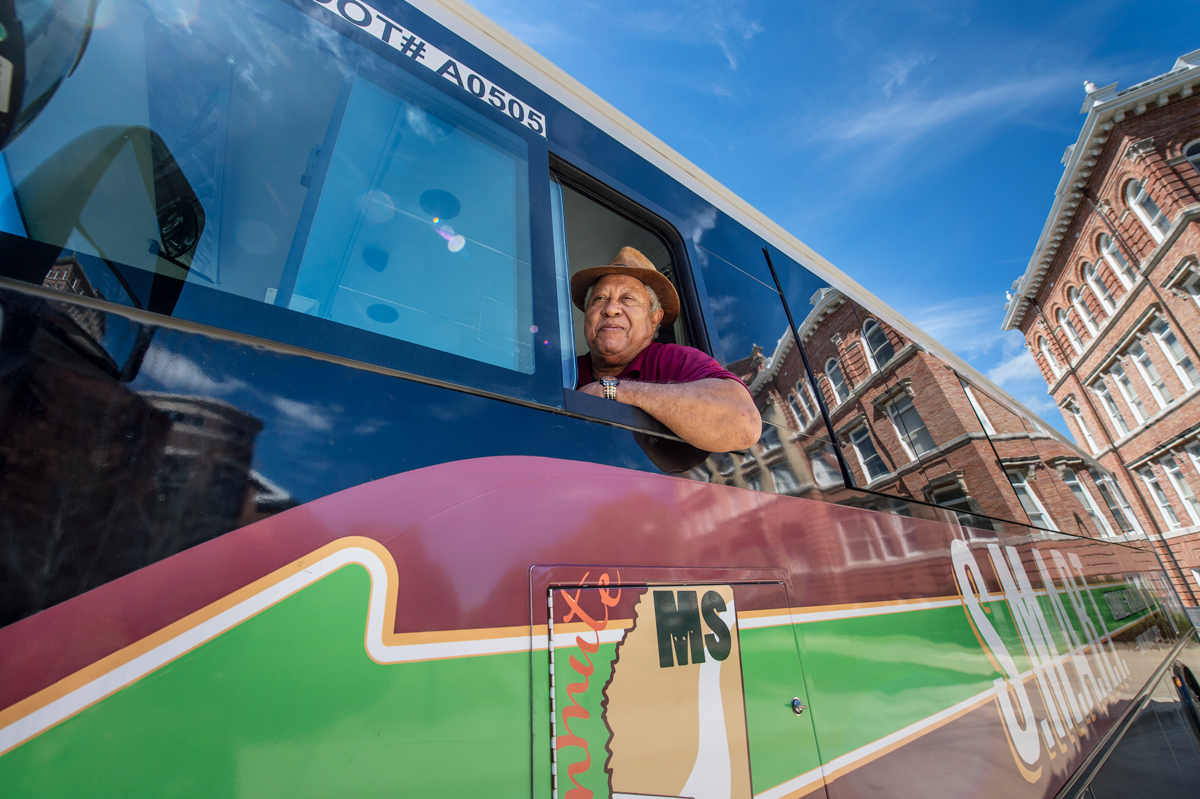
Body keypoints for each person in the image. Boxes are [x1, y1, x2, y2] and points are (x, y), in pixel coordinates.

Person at [572, 246, 761, 452]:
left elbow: (744, 423)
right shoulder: (562, 369)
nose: (610, 309)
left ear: (655, 319)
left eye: (628, 299)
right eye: (599, 299)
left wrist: (610, 389)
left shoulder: (674, 360)